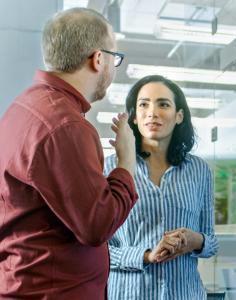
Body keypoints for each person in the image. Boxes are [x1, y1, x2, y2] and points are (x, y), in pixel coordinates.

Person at [0, 8, 138, 299]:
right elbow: (97, 225)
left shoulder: (24, 107)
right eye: (115, 57)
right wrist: (126, 163)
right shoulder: (65, 125)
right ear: (98, 59)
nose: (114, 66)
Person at [104, 75, 218, 299]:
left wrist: (196, 241)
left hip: (185, 293)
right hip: (130, 293)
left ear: (179, 116)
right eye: (143, 104)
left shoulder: (199, 170)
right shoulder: (111, 167)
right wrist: (145, 255)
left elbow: (211, 242)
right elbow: (97, 249)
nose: (152, 112)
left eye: (163, 104)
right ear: (134, 117)